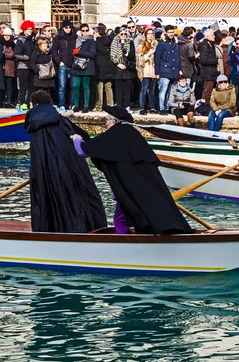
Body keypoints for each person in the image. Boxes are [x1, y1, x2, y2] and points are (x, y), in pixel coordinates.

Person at [70, 105, 193, 235]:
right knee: (130, 216)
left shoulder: (114, 134)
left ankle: (124, 244)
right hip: (144, 187)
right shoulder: (134, 134)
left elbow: (83, 150)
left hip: (129, 190)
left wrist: (76, 139)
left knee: (120, 219)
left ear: (113, 121)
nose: (106, 123)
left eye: (107, 120)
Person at [25, 90, 106, 233]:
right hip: (71, 168)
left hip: (47, 172)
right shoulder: (62, 120)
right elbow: (84, 136)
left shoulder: (34, 126)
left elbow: (38, 157)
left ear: (34, 105)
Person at [155, 25, 181, 115]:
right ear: (165, 33)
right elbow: (157, 59)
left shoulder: (175, 44)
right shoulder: (162, 44)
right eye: (169, 32)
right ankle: (162, 108)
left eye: (172, 32)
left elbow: (178, 58)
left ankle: (167, 107)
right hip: (164, 70)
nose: (171, 34)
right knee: (163, 90)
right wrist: (157, 72)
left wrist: (179, 70)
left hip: (173, 71)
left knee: (170, 91)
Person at [71, 24, 96, 113]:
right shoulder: (77, 40)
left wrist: (79, 52)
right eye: (83, 30)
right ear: (80, 31)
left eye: (86, 30)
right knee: (76, 86)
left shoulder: (91, 41)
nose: (85, 32)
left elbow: (92, 54)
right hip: (77, 66)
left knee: (86, 87)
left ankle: (86, 106)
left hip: (87, 66)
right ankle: (76, 105)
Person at [110, 27, 136, 108]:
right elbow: (112, 56)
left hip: (128, 69)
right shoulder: (114, 42)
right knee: (118, 89)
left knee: (127, 89)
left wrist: (126, 53)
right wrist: (118, 64)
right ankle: (119, 106)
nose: (124, 35)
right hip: (118, 68)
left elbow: (132, 55)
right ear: (118, 35)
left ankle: (127, 106)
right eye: (122, 34)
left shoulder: (130, 42)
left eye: (125, 34)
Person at [15, 20, 36, 110]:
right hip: (23, 67)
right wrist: (27, 57)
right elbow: (17, 54)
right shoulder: (21, 40)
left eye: (31, 29)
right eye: (28, 29)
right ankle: (22, 103)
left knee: (32, 86)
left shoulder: (31, 40)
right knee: (23, 87)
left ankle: (30, 103)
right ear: (24, 30)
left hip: (31, 67)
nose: (30, 30)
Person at [94, 24, 115, 111]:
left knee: (99, 87)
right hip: (109, 65)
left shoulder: (97, 42)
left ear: (98, 33)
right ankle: (111, 105)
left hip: (100, 65)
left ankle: (99, 106)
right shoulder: (110, 40)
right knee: (108, 87)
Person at [138, 28, 158, 115]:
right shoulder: (141, 46)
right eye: (149, 33)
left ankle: (152, 107)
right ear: (145, 35)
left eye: (152, 34)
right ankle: (142, 107)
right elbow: (139, 60)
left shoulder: (156, 45)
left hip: (153, 71)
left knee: (152, 90)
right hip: (145, 70)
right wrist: (149, 53)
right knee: (144, 89)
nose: (151, 35)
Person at [1, 27, 16, 107]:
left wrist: (4, 54)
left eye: (8, 35)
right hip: (2, 66)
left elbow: (13, 54)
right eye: (5, 35)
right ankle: (3, 100)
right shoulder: (1, 43)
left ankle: (9, 100)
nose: (7, 37)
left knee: (9, 84)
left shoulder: (13, 44)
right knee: (3, 85)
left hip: (10, 66)